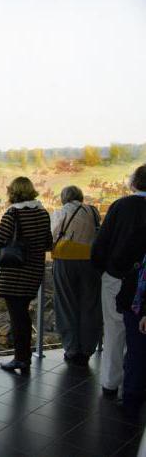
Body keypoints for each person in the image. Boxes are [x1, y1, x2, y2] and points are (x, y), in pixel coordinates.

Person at [0, 177, 52, 374]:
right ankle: (23, 357)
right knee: (23, 315)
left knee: (17, 318)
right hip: (34, 271)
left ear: (13, 192)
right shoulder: (42, 212)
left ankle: (21, 359)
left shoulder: (13, 214)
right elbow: (48, 242)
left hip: (15, 273)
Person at [92, 164, 146, 406]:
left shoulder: (121, 206)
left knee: (114, 330)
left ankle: (111, 383)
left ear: (134, 183)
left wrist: (104, 269)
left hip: (117, 277)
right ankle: (135, 385)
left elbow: (102, 242)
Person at [50, 186, 102, 366]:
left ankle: (72, 349)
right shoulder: (93, 211)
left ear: (64, 198)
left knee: (66, 304)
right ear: (80, 197)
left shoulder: (59, 213)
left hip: (65, 261)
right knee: (90, 304)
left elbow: (51, 236)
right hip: (90, 262)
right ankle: (88, 349)